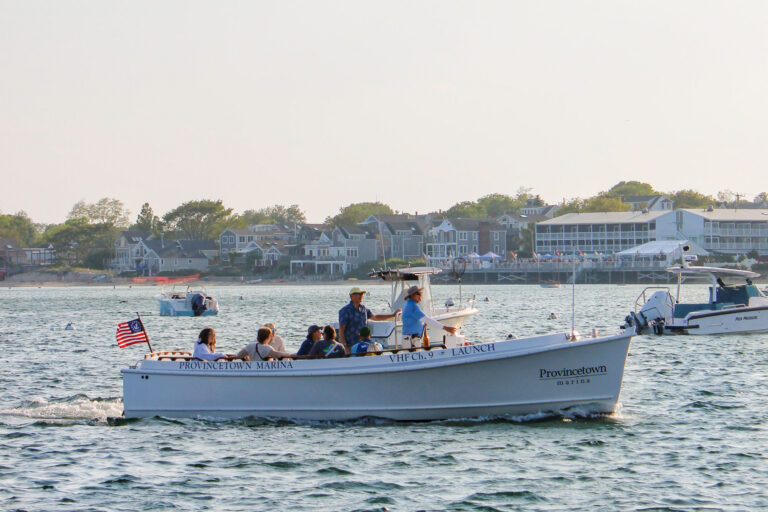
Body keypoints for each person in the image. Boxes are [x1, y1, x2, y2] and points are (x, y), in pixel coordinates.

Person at [338, 287, 400, 352]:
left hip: (363, 345)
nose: (361, 296)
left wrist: (392, 315)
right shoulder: (345, 310)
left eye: (362, 294)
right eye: (359, 294)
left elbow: (375, 317)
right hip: (351, 345)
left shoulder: (363, 309)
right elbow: (341, 329)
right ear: (351, 296)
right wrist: (345, 346)